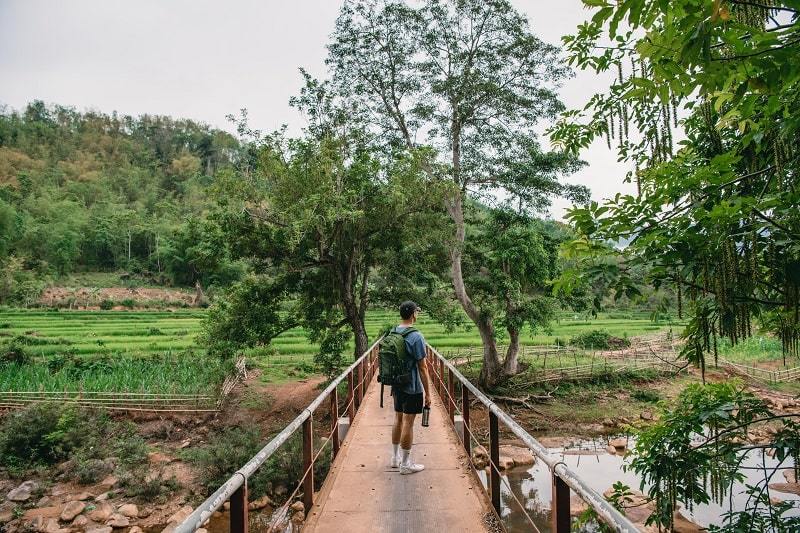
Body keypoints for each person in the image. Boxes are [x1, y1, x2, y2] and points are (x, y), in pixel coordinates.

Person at [390, 300, 431, 475]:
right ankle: (406, 464)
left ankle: (395, 458)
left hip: (396, 384)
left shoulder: (392, 331)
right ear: (413, 314)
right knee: (408, 423)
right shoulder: (416, 336)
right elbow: (423, 367)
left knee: (398, 419)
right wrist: (428, 393)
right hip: (412, 386)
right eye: (417, 312)